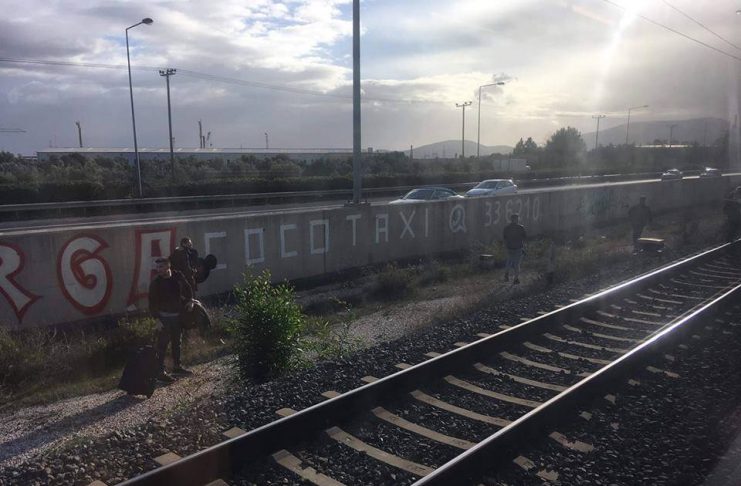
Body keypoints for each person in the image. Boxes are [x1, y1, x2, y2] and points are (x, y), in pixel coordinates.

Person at [148, 257, 194, 381]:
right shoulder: (156, 283)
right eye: (157, 267)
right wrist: (157, 320)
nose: (158, 269)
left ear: (168, 266)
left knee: (176, 343)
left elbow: (188, 288)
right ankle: (160, 372)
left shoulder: (178, 276)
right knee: (162, 345)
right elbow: (152, 303)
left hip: (177, 316)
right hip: (164, 318)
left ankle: (177, 367)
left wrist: (190, 301)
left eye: (161, 267)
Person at [503, 213, 526, 284]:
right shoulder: (521, 227)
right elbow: (524, 238)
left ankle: (506, 274)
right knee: (517, 264)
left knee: (509, 262)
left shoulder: (506, 228)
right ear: (517, 219)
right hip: (518, 247)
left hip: (509, 247)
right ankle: (515, 279)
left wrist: (506, 246)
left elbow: (504, 238)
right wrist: (524, 247)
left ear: (511, 219)